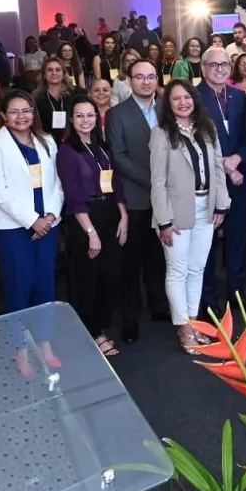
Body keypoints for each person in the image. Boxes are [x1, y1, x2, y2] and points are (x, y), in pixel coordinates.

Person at [0, 89, 64, 376]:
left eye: (26, 110)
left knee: (44, 285)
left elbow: (57, 183)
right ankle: (19, 348)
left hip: (49, 225)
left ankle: (43, 343)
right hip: (14, 229)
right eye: (14, 111)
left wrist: (51, 215)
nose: (21, 116)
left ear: (33, 113)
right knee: (18, 287)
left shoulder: (48, 141)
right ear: (4, 115)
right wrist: (33, 220)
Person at [150, 81, 229, 353]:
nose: (183, 102)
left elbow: (218, 167)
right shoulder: (161, 134)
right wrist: (164, 221)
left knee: (197, 269)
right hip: (175, 213)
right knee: (178, 271)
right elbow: (157, 182)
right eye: (176, 99)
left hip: (206, 207)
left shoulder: (207, 128)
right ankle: (183, 328)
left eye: (187, 97)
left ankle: (194, 323)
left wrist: (221, 204)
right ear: (168, 105)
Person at [56, 96, 128, 358]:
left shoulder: (101, 146)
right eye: (80, 116)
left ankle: (100, 326)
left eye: (90, 115)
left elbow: (115, 182)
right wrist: (91, 233)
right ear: (71, 120)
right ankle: (92, 331)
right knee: (87, 279)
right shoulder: (66, 151)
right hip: (85, 219)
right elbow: (73, 195)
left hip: (110, 213)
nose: (86, 120)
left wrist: (123, 215)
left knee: (111, 275)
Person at [106, 59, 168, 343]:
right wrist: (154, 182)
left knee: (159, 257)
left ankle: (159, 307)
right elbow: (119, 157)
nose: (146, 82)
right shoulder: (117, 114)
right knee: (131, 262)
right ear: (129, 80)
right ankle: (130, 318)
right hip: (136, 196)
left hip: (167, 197)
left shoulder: (167, 109)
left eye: (151, 77)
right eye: (140, 77)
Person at [195, 48, 246, 312]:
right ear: (203, 68)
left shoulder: (239, 96)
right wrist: (223, 164)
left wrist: (238, 159)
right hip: (208, 181)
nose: (220, 69)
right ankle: (209, 301)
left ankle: (237, 295)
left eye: (224, 64)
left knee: (238, 238)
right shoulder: (193, 98)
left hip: (239, 178)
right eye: (214, 65)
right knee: (207, 242)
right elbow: (193, 139)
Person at [35, 57, 73, 134]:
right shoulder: (37, 98)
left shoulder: (76, 94)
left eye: (58, 70)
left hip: (73, 141)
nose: (54, 73)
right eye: (50, 70)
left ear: (63, 73)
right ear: (44, 75)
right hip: (47, 139)